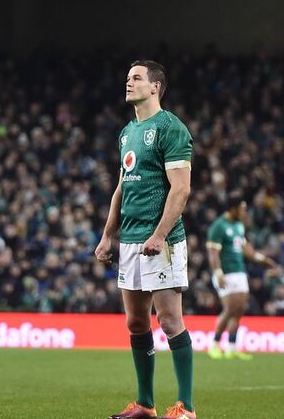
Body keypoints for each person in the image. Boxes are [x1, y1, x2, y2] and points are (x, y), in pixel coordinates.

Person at [95, 60, 196, 419]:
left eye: (136, 78)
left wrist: (159, 234)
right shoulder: (126, 133)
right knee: (136, 324)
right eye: (127, 78)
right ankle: (145, 405)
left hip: (162, 241)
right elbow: (122, 186)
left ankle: (186, 407)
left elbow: (181, 189)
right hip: (131, 241)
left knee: (169, 322)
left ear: (155, 86)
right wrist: (109, 235)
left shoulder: (170, 128)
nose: (128, 82)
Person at [205, 195, 276, 360]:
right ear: (233, 208)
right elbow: (213, 253)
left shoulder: (238, 225)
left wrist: (261, 259)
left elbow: (245, 248)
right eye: (242, 208)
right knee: (229, 309)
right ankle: (214, 345)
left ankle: (231, 347)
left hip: (239, 271)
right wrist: (218, 273)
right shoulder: (218, 226)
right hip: (226, 271)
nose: (245, 212)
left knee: (239, 310)